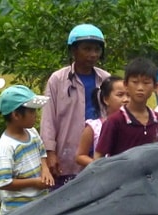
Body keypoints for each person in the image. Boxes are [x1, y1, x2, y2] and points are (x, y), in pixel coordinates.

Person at [40, 24, 110, 189]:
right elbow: (48, 119)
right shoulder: (57, 79)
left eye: (96, 50)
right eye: (86, 49)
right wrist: (50, 153)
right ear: (73, 51)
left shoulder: (105, 79)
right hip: (66, 156)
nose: (92, 55)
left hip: (100, 154)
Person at [94, 58, 158, 158]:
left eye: (146, 83)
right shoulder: (114, 121)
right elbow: (98, 157)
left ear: (155, 87)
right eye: (135, 82)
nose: (140, 88)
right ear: (126, 85)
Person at [0, 85, 54, 215]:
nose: (36, 116)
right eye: (31, 112)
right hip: (17, 212)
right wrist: (34, 182)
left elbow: (41, 151)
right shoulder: (6, 147)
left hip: (38, 204)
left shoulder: (32, 132)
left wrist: (45, 169)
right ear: (16, 115)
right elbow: (3, 182)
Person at [75, 76, 129, 167]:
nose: (126, 99)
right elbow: (80, 156)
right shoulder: (95, 127)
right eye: (120, 95)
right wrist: (101, 166)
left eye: (129, 95)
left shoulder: (134, 124)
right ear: (106, 99)